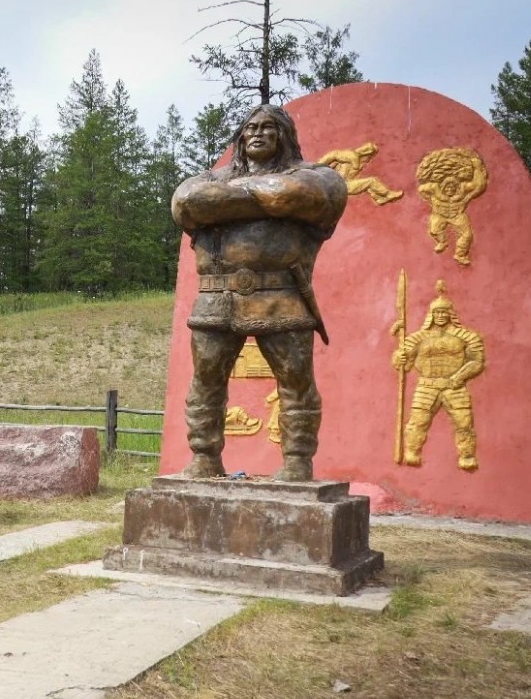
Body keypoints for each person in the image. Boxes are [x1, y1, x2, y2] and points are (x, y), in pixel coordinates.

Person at [171, 103, 348, 481]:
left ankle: (298, 460)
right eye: (250, 127)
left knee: (296, 383)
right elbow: (185, 204)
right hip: (216, 297)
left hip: (281, 296)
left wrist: (226, 202)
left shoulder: (317, 176)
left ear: (285, 135)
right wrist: (263, 202)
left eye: (269, 127)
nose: (258, 132)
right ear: (240, 136)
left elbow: (290, 195)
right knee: (206, 381)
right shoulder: (208, 178)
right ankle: (204, 457)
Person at [391, 281, 485, 471]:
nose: (440, 316)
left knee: (464, 422)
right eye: (437, 312)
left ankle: (467, 456)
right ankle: (412, 451)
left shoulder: (467, 337)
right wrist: (398, 357)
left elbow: (477, 361)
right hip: (427, 386)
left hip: (455, 386)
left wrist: (458, 377)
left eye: (444, 312)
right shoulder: (418, 338)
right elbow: (403, 362)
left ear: (451, 314)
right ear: (431, 315)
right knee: (417, 421)